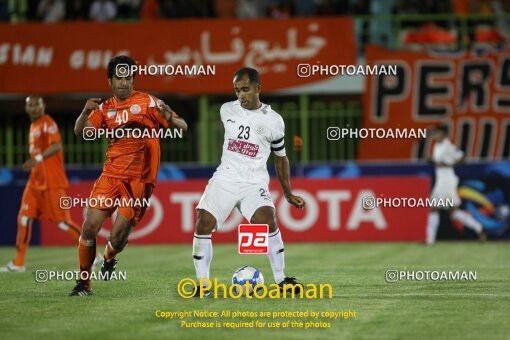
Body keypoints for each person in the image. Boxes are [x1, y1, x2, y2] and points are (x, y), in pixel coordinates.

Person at [70, 55, 187, 296]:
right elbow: (81, 132)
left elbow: (182, 126)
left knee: (117, 237)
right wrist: (84, 113)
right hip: (111, 175)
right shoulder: (104, 108)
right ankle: (83, 284)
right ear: (110, 81)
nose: (124, 83)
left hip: (139, 182)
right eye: (119, 78)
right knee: (89, 227)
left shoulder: (148, 102)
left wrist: (170, 119)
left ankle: (109, 257)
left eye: (128, 78)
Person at [193, 67, 305, 297]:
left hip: (253, 183)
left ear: (257, 88)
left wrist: (287, 193)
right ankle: (203, 284)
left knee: (267, 220)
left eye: (245, 89)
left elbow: (281, 157)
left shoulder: (274, 121)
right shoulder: (226, 110)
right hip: (225, 178)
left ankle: (281, 279)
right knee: (203, 223)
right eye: (237, 90)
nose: (241, 95)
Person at [0, 96, 99, 272]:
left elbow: (57, 146)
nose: (32, 108)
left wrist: (37, 158)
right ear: (26, 108)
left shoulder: (48, 123)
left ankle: (94, 254)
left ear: (42, 106)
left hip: (52, 183)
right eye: (29, 105)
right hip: (35, 183)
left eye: (35, 105)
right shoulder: (33, 126)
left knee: (62, 222)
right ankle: (18, 263)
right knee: (23, 218)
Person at [426, 125, 485, 245]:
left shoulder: (449, 146)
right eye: (435, 134)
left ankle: (430, 240)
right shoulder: (438, 146)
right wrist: (434, 161)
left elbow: (462, 157)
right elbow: (440, 162)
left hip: (446, 181)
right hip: (442, 179)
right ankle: (479, 228)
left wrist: (449, 164)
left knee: (434, 208)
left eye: (438, 133)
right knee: (453, 212)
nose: (435, 136)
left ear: (444, 134)